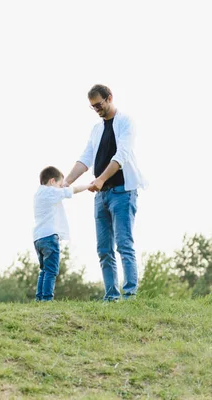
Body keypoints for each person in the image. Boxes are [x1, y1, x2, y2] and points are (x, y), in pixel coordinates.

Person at [63, 84, 147, 301]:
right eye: (93, 107)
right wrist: (66, 181)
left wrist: (100, 179)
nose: (97, 109)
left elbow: (123, 155)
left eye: (99, 105)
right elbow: (85, 158)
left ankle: (130, 295)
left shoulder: (125, 122)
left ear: (110, 98)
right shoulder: (96, 129)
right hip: (101, 196)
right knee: (103, 248)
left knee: (124, 244)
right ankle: (111, 296)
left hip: (122, 192)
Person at [33, 166, 91, 301]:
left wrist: (62, 185)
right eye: (59, 185)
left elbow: (62, 190)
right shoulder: (51, 192)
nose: (60, 188)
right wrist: (89, 185)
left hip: (38, 238)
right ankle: (47, 299)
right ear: (52, 181)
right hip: (49, 237)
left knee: (44, 270)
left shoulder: (38, 194)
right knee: (51, 270)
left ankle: (39, 298)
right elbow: (73, 190)